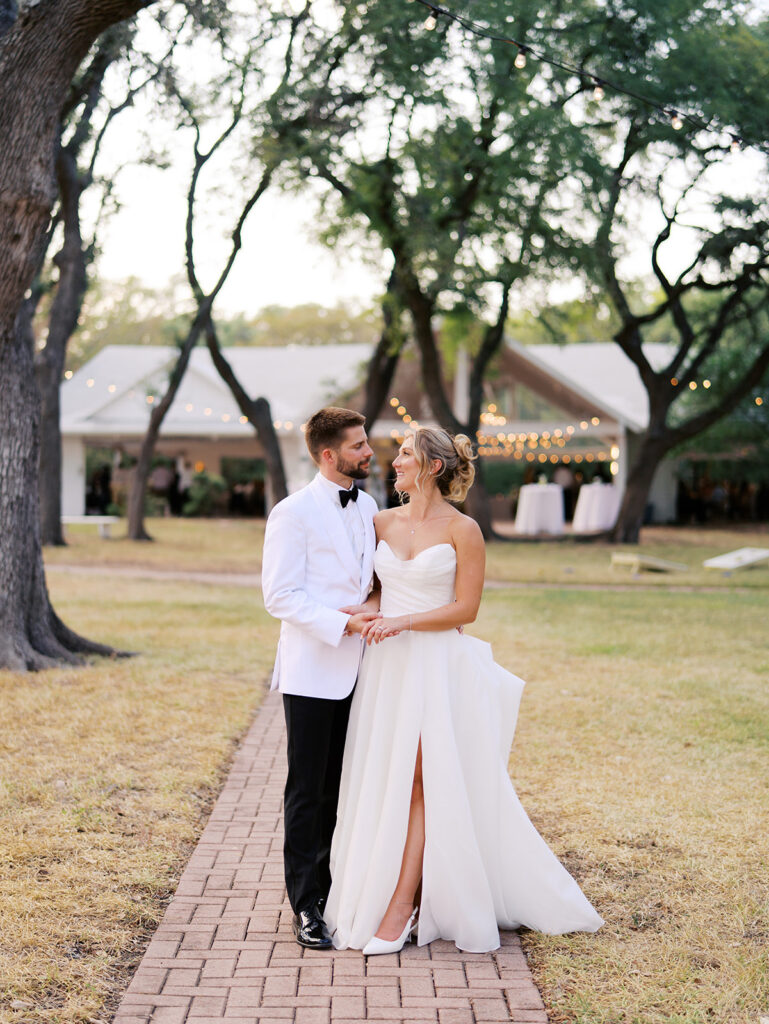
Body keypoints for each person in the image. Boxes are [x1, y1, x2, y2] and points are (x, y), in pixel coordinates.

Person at [324, 426, 603, 955]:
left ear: (432, 466)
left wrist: (401, 622)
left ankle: (402, 908)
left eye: (405, 454)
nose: (394, 461)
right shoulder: (380, 522)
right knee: (391, 777)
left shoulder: (464, 529)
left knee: (421, 780)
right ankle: (396, 889)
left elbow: (466, 609)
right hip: (388, 670)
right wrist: (364, 611)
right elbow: (380, 591)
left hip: (437, 665)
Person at [261, 407, 381, 950]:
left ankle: (338, 891)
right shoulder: (292, 513)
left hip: (366, 669)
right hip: (312, 671)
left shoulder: (370, 505)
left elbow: (371, 580)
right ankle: (306, 902)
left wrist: (372, 606)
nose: (369, 452)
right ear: (329, 455)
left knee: (346, 785)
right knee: (309, 790)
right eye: (358, 445)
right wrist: (343, 623)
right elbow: (280, 596)